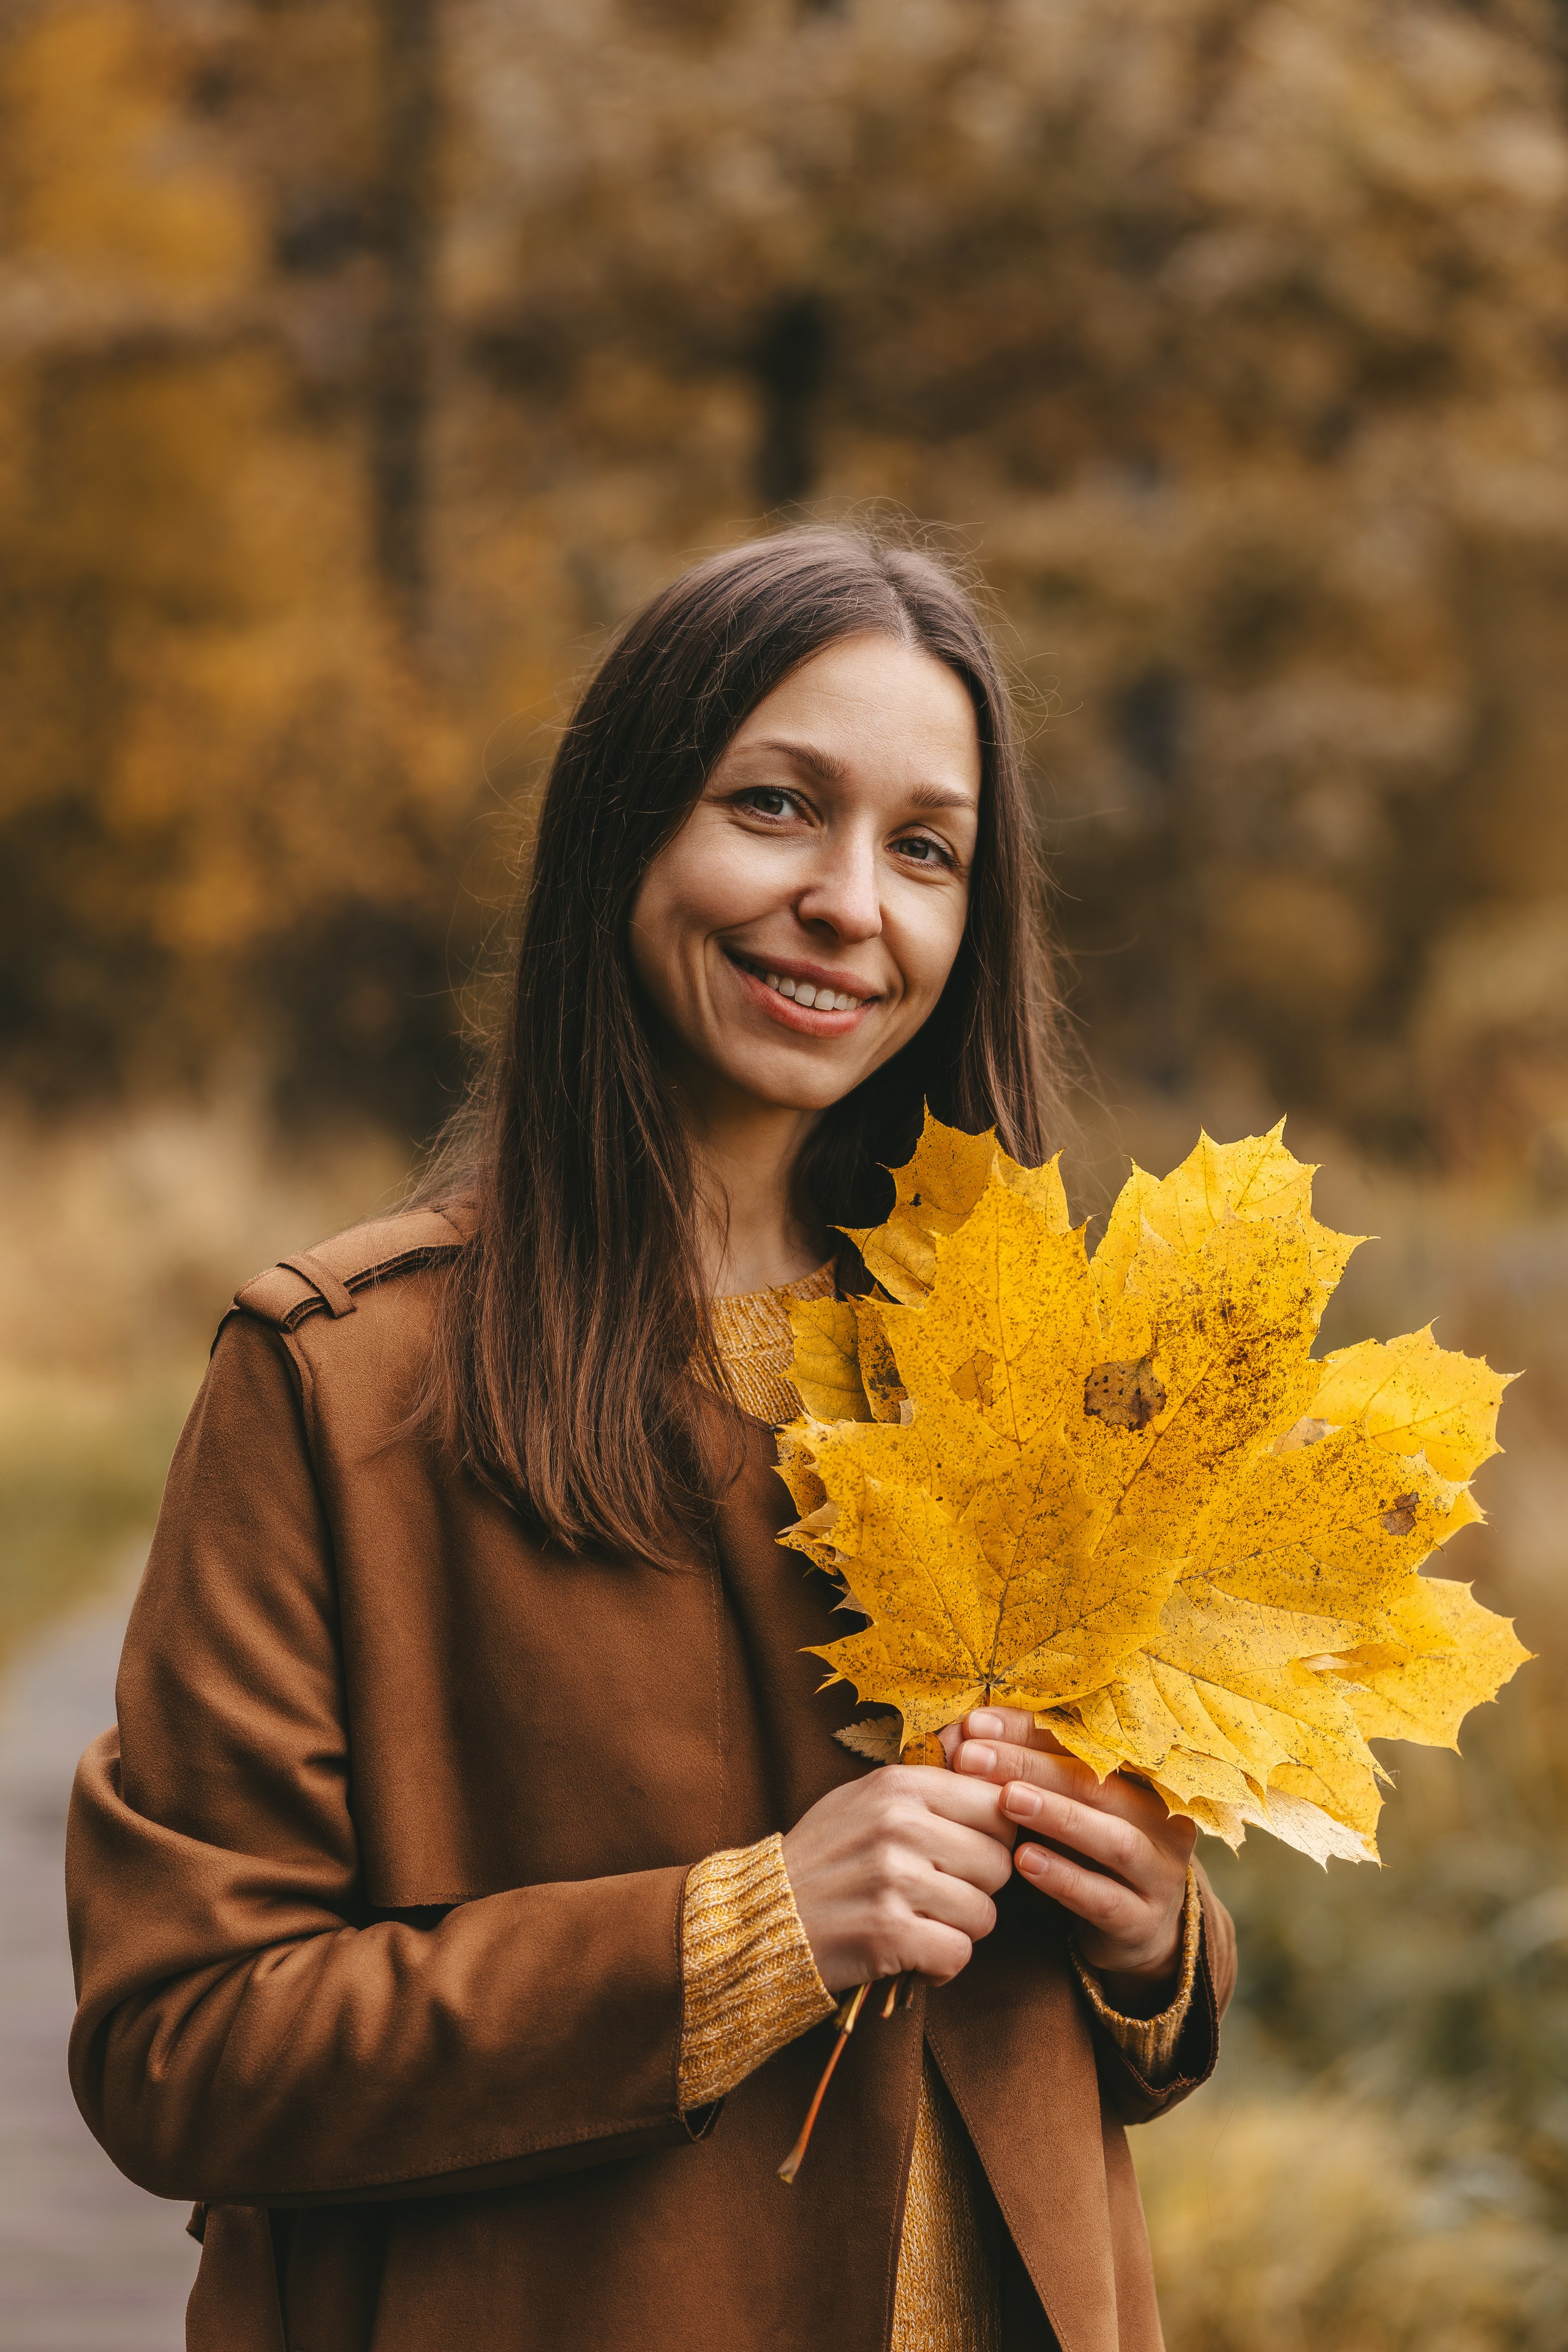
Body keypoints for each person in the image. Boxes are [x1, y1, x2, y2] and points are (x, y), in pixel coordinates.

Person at [67, 526, 1234, 2352]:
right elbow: (181, 2052)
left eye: (925, 847)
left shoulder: (1034, 1371)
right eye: (776, 806)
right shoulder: (342, 1384)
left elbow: (1100, 2047)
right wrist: (750, 1932)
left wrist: (1157, 1939)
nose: (855, 900)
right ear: (627, 830)